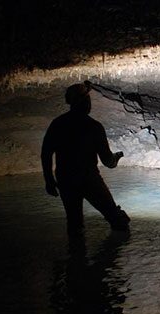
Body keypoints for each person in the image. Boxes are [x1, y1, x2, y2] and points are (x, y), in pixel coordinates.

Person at [41, 82, 130, 236]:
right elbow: (107, 161)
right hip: (89, 179)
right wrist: (116, 158)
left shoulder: (58, 124)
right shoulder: (93, 127)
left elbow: (46, 153)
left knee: (75, 224)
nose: (90, 103)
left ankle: (76, 257)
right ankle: (112, 256)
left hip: (66, 179)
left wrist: (49, 180)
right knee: (116, 219)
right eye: (88, 99)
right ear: (83, 102)